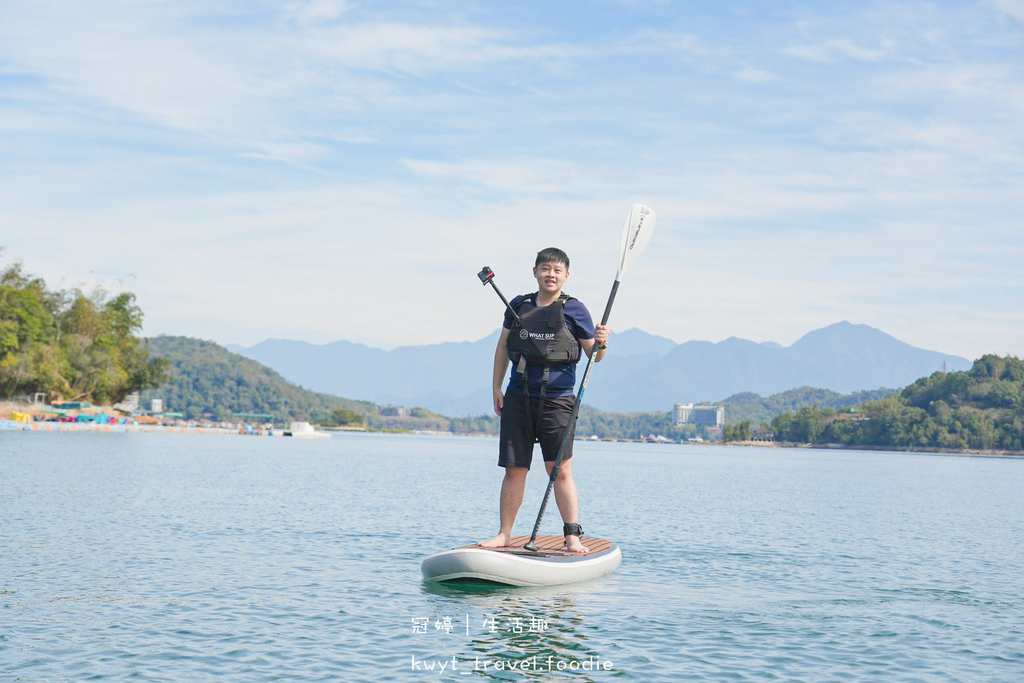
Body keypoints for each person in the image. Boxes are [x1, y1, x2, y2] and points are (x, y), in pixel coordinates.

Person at [478, 247, 609, 554]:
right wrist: (496, 387)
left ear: (566, 276)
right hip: (518, 397)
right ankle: (504, 534)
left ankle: (572, 536)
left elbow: (595, 356)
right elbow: (502, 348)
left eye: (558, 271)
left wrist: (603, 342)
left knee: (559, 469)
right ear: (535, 271)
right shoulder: (517, 306)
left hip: (557, 401)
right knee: (514, 468)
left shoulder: (575, 310)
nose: (551, 275)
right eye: (545, 269)